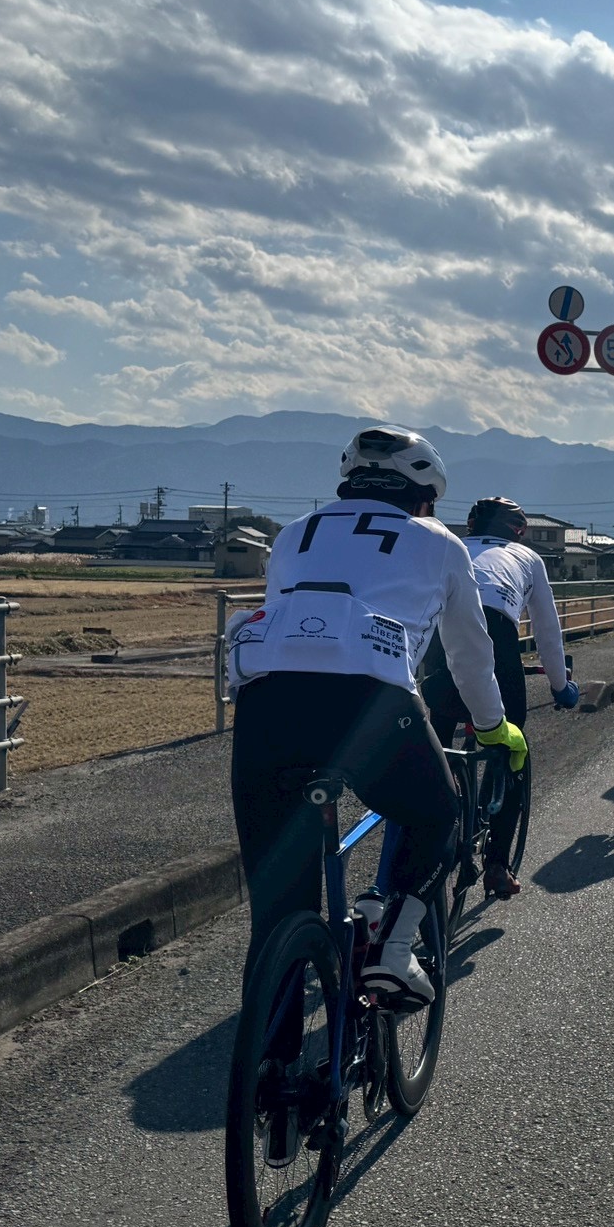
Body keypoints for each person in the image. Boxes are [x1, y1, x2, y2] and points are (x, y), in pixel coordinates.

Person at [226, 427, 526, 1008]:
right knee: (437, 815)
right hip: (369, 702)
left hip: (267, 703)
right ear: (424, 495)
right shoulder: (439, 542)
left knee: (277, 913)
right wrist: (493, 726)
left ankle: (271, 1054)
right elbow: (469, 655)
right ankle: (394, 946)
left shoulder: (294, 533)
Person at [446, 495, 579, 899]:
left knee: (434, 735)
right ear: (518, 531)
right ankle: (498, 865)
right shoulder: (527, 558)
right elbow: (548, 633)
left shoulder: (452, 547)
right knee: (512, 745)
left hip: (439, 644)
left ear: (471, 525)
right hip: (496, 639)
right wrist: (561, 687)